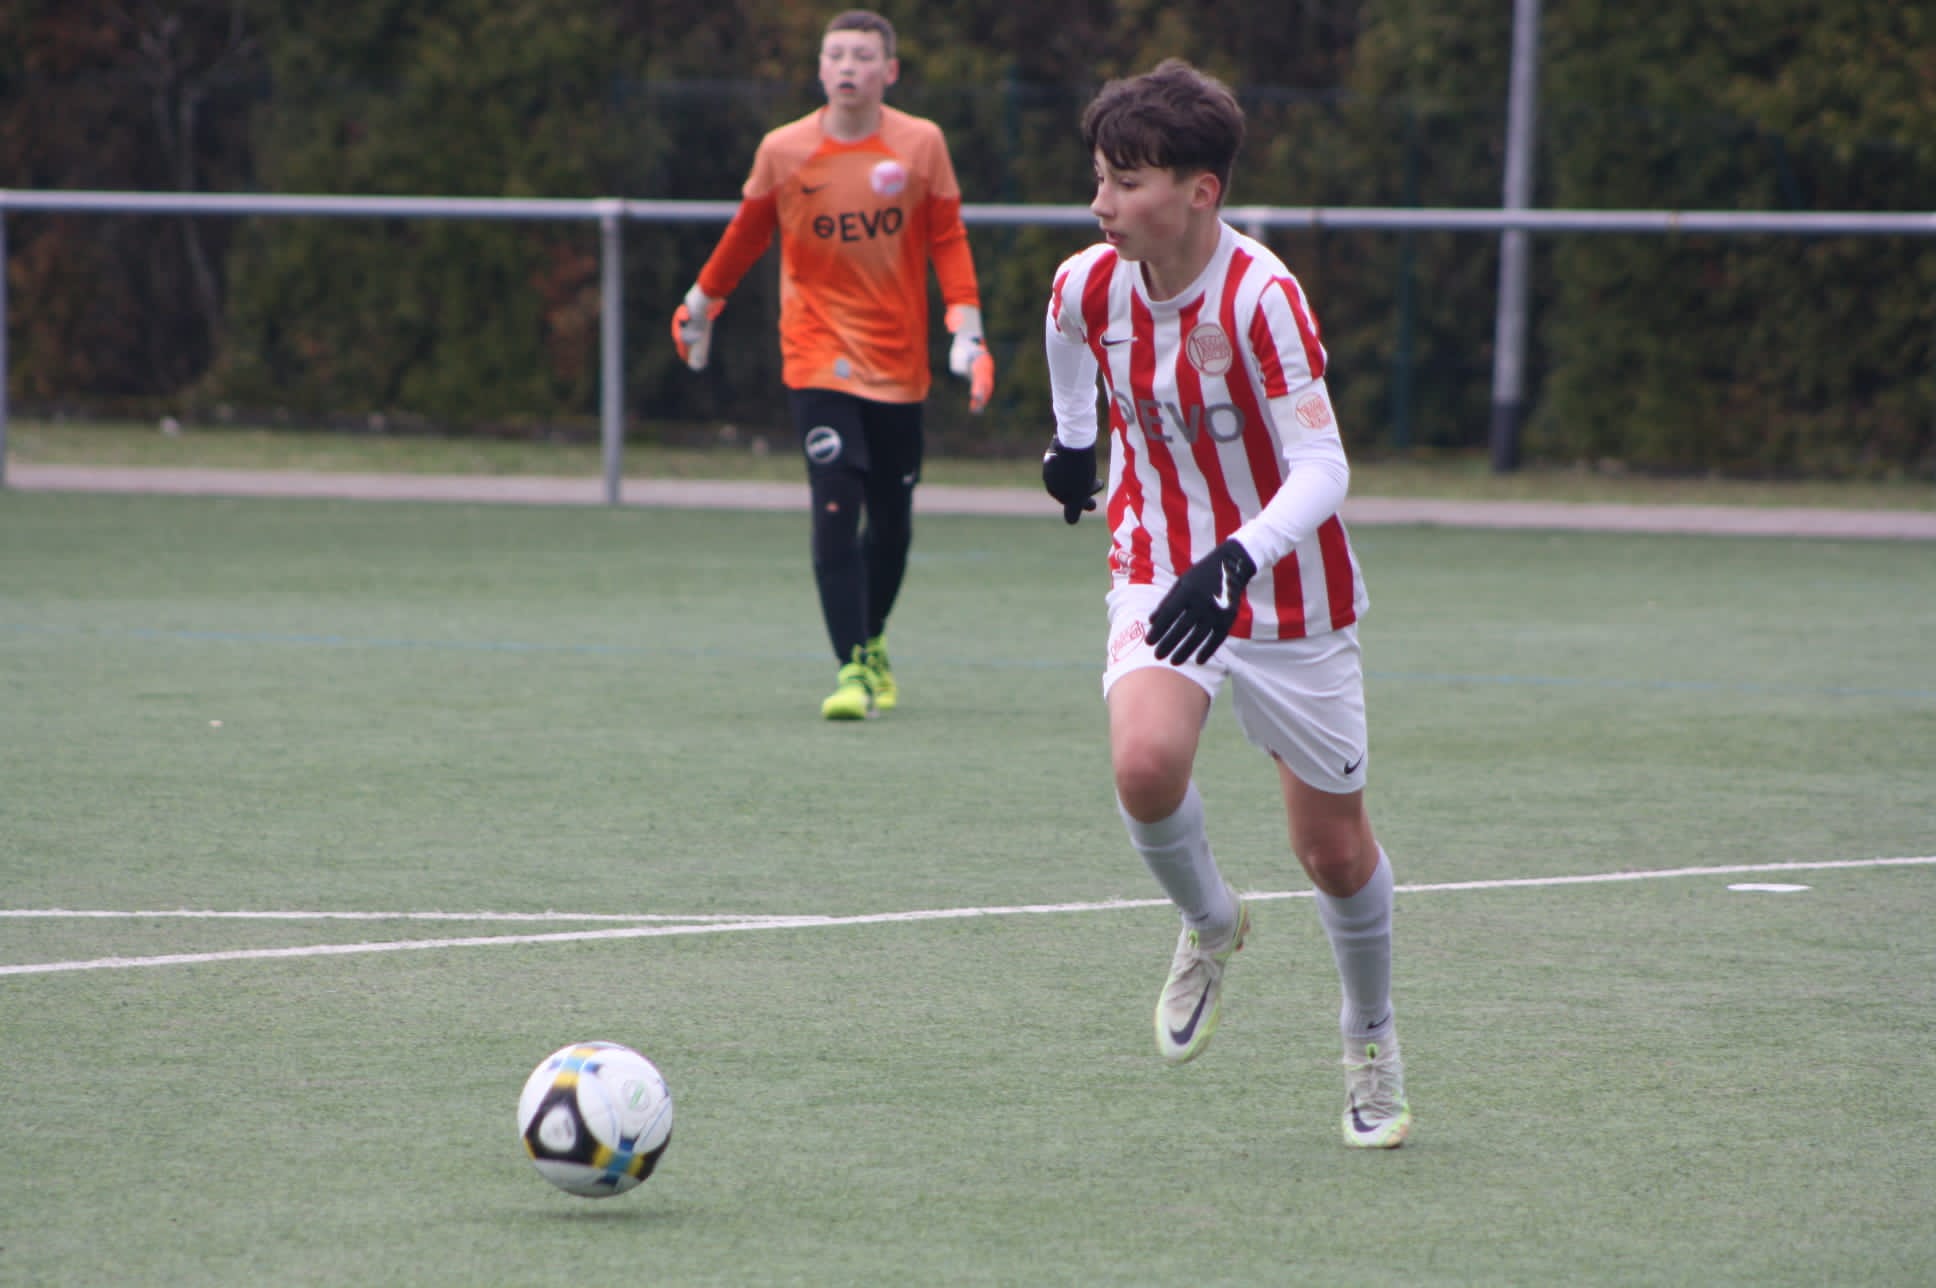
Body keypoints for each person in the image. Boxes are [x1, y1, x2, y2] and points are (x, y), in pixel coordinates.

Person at [1039, 59, 1413, 1148]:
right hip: (1160, 560)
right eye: (1098, 179)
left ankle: (1370, 1036)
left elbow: (1324, 467)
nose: (1102, 203)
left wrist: (1239, 559)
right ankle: (1212, 921)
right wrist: (1074, 441)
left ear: (1200, 191)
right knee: (1144, 764)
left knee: (1332, 853)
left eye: (1127, 182)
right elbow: (1065, 339)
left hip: (1288, 586)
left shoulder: (1262, 297)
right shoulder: (1088, 283)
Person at [671, 8, 994, 721]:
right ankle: (851, 670)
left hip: (898, 363)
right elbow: (747, 233)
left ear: (890, 71)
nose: (848, 66)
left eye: (863, 55)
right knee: (835, 501)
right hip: (815, 354)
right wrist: (700, 302)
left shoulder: (921, 144)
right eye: (836, 55)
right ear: (820, 69)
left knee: (892, 525)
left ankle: (870, 640)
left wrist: (967, 331)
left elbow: (947, 237)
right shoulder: (783, 150)